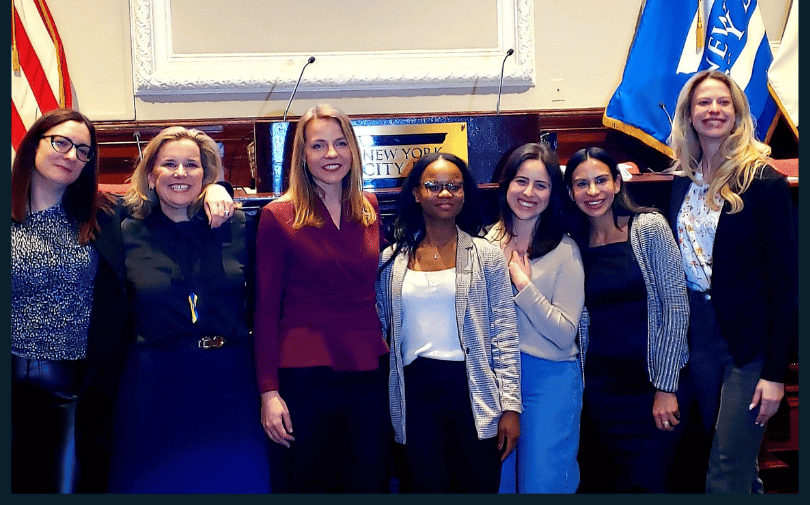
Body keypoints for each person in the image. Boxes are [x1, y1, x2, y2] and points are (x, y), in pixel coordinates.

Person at [11, 109, 234, 493]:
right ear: (34, 144)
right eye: (61, 143)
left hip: (72, 385)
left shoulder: (104, 213)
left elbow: (169, 195)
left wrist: (217, 188)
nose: (71, 155)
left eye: (83, 150)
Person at [109, 126, 268, 493]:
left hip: (228, 378)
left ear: (205, 174)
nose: (180, 173)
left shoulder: (239, 227)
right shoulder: (125, 231)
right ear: (151, 175)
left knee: (234, 482)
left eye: (191, 165)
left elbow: (265, 305)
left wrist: (221, 188)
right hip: (154, 382)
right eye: (169, 164)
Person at [669, 69, 798, 494]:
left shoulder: (763, 183)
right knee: (733, 460)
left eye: (723, 102)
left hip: (749, 344)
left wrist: (776, 374)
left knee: (725, 469)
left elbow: (786, 284)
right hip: (700, 336)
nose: (714, 110)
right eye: (703, 102)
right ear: (689, 114)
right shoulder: (682, 181)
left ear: (738, 113)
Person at [253, 104, 390, 493]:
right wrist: (269, 392)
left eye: (340, 143)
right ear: (302, 155)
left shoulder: (369, 207)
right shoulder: (278, 216)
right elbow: (265, 311)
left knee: (369, 482)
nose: (332, 154)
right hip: (304, 372)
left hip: (367, 369)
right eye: (318, 145)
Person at [376, 152, 522, 494]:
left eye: (454, 186)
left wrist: (511, 408)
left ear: (465, 194)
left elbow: (504, 334)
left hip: (473, 393)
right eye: (433, 186)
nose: (445, 193)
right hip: (415, 396)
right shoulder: (391, 260)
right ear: (416, 193)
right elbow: (382, 330)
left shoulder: (486, 255)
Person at [564, 147, 689, 493]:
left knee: (652, 482)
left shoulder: (649, 227)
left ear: (617, 183)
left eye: (601, 180)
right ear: (570, 192)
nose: (593, 192)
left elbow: (676, 307)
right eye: (582, 184)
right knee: (612, 483)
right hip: (602, 390)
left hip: (652, 387)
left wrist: (666, 386)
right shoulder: (574, 242)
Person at [485, 142, 585, 493]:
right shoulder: (483, 243)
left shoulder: (565, 250)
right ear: (506, 184)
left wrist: (524, 285)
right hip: (495, 381)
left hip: (549, 380)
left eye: (540, 185)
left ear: (552, 193)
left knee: (541, 485)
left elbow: (564, 333)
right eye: (521, 181)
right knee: (500, 486)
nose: (529, 193)